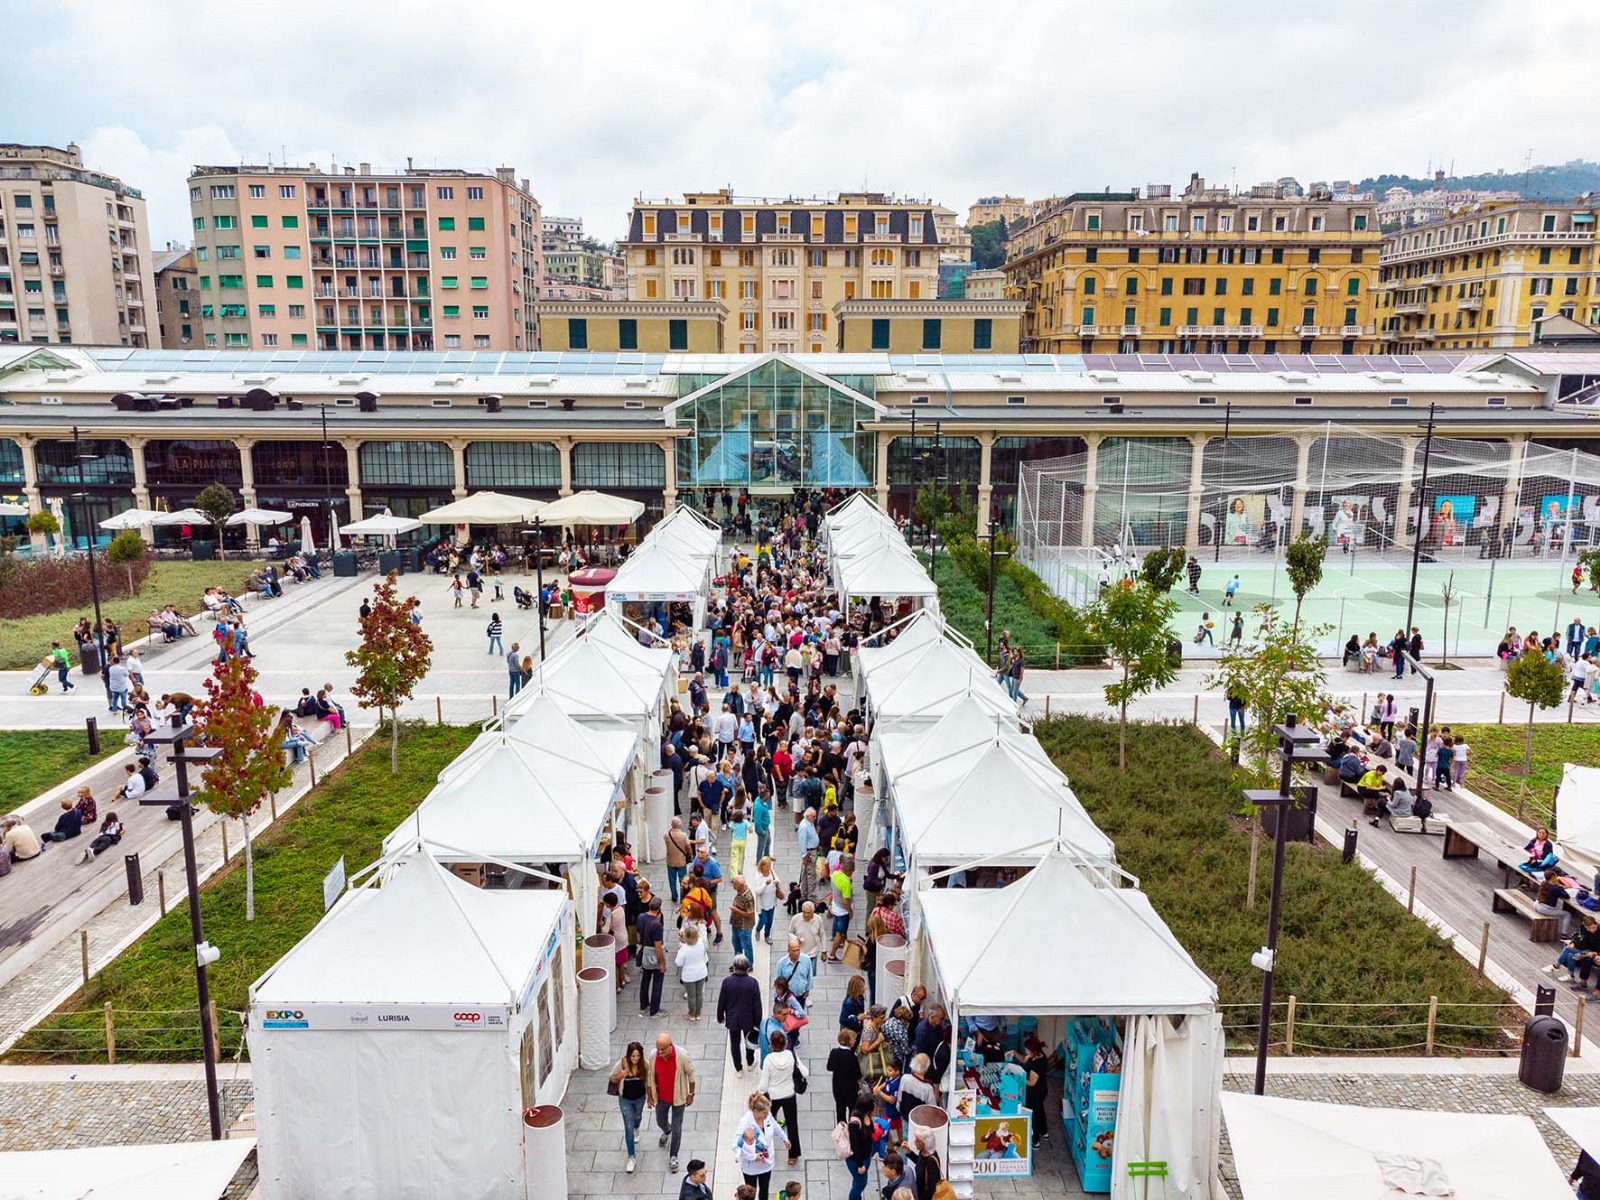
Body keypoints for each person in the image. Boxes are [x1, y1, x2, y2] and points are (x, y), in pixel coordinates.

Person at [647, 1034, 697, 1172]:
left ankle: (673, 1156)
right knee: (660, 1120)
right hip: (661, 1097)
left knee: (677, 1127)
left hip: (678, 1097)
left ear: (671, 1046)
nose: (660, 1052)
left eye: (663, 1049)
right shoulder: (653, 1055)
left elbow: (691, 1075)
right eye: (658, 1049)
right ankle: (666, 1131)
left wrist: (691, 1094)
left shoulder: (682, 1055)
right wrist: (649, 1096)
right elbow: (650, 1076)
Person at [757, 1029, 806, 1165]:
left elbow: (763, 1084)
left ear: (771, 1044)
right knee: (792, 1125)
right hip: (789, 1093)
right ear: (785, 1043)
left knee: (765, 1124)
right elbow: (803, 1072)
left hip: (773, 1096)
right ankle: (793, 1154)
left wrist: (758, 1093)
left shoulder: (769, 1060)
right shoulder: (791, 1055)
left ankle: (765, 1151)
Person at [731, 1093, 790, 1200]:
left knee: (764, 1190)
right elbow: (735, 1146)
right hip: (751, 1167)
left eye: (768, 1112)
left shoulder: (767, 1116)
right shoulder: (745, 1123)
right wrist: (753, 1157)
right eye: (764, 1112)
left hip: (766, 1162)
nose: (767, 1115)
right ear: (755, 1111)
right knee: (750, 1193)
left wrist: (784, 1138)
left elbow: (775, 1125)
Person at [717, 954, 765, 1073]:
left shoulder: (726, 982)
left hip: (732, 1018)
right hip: (748, 1019)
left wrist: (720, 1016)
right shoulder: (753, 983)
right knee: (749, 1041)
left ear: (734, 967)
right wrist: (758, 1022)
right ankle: (750, 1062)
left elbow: (722, 1001)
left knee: (734, 1044)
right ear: (747, 967)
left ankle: (738, 1068)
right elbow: (757, 1005)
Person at [609, 1041, 650, 1174]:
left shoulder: (645, 1065)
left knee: (637, 1117)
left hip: (639, 1098)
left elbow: (650, 1081)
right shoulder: (621, 1064)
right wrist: (622, 1074)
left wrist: (650, 1097)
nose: (635, 1059)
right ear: (628, 1055)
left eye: (638, 1056)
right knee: (628, 1127)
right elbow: (612, 1078)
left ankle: (637, 1128)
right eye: (633, 1056)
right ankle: (631, 1157)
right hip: (625, 1100)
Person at [638, 897, 667, 1018]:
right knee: (658, 981)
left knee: (645, 978)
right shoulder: (657, 925)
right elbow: (658, 947)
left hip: (645, 951)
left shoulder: (641, 917)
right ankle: (655, 1010)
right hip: (653, 954)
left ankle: (644, 1004)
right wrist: (662, 963)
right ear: (659, 909)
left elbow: (639, 935)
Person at [843, 1095, 876, 1200]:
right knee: (861, 1184)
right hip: (857, 1160)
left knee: (858, 1181)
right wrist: (860, 1164)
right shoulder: (855, 1123)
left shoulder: (866, 1115)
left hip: (866, 1156)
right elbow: (854, 1146)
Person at [676, 922, 710, 1021]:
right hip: (702, 971)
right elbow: (704, 953)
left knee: (691, 995)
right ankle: (698, 1013)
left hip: (689, 975)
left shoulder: (684, 949)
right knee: (699, 994)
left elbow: (679, 963)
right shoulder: (700, 943)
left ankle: (691, 1014)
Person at [729, 875, 757, 963]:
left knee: (746, 947)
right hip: (736, 924)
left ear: (741, 885)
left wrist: (736, 910)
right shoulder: (740, 891)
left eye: (735, 884)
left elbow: (750, 914)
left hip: (744, 927)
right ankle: (738, 963)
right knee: (736, 945)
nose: (733, 885)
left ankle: (748, 965)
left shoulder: (748, 897)